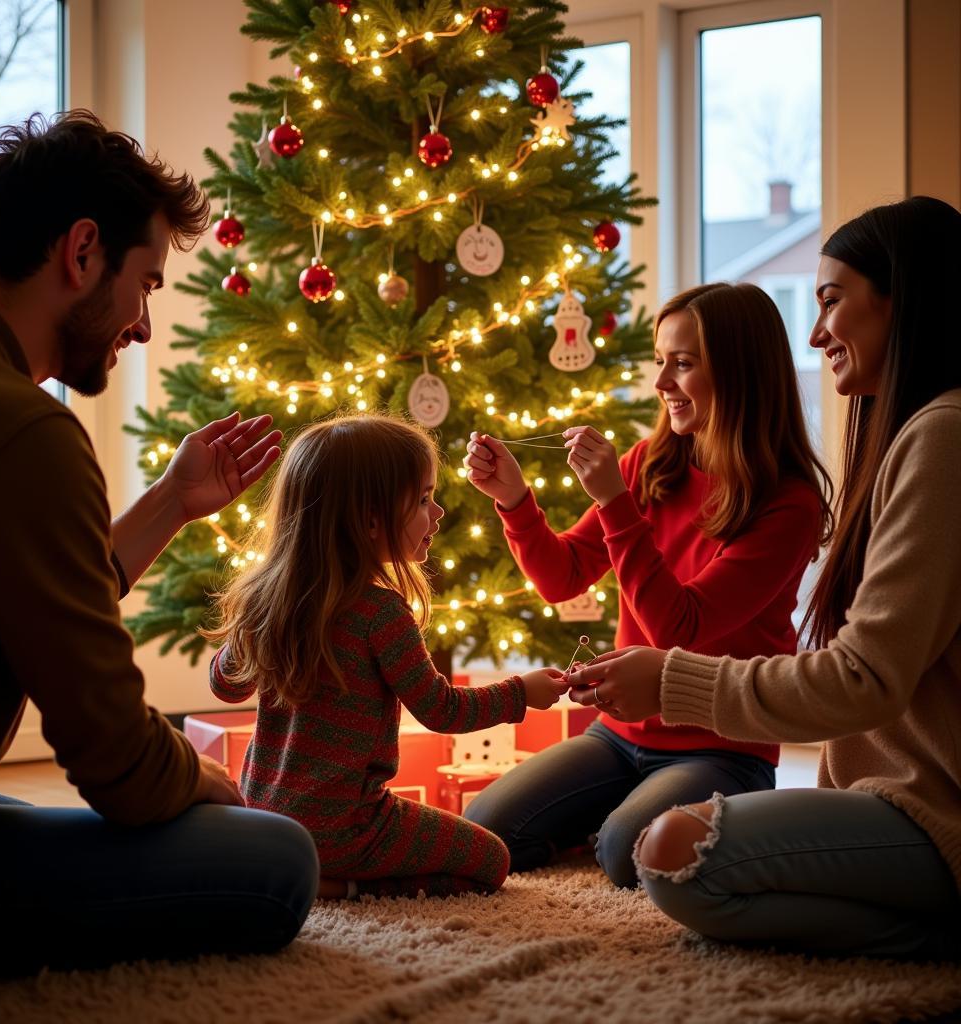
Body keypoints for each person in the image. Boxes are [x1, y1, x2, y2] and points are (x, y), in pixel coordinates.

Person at [0, 110, 319, 975]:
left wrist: (171, 503)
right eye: (146, 282)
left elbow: (26, 603)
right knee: (276, 860)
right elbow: (115, 764)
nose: (143, 325)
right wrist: (207, 784)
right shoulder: (20, 429)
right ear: (82, 253)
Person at [566, 196, 961, 960]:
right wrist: (517, 503)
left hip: (926, 811)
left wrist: (671, 681)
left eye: (831, 300)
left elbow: (860, 679)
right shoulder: (914, 435)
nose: (815, 334)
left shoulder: (936, 439)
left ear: (901, 299)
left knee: (664, 856)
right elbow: (559, 572)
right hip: (866, 793)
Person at [461, 282, 833, 887]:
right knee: (487, 826)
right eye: (661, 361)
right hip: (619, 735)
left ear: (740, 373)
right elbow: (562, 578)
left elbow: (677, 628)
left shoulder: (787, 505)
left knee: (621, 851)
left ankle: (643, 817)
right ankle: (628, 809)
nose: (662, 383)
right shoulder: (650, 464)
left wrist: (613, 501)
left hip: (723, 746)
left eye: (683, 364)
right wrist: (515, 500)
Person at [204, 413, 569, 899]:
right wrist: (522, 693)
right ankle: (344, 886)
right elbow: (442, 710)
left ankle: (307, 869)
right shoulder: (379, 612)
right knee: (492, 860)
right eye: (422, 499)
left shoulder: (268, 598)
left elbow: (225, 686)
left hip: (265, 814)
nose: (436, 514)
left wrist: (255, 621)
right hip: (347, 828)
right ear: (369, 518)